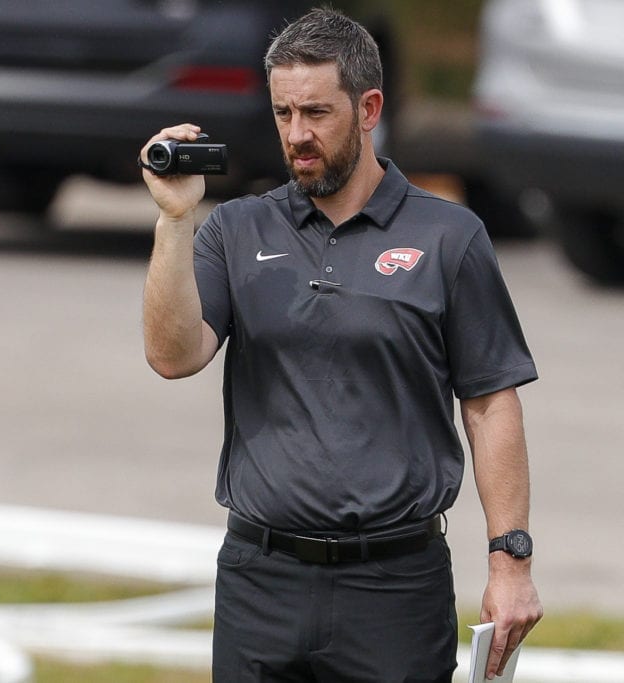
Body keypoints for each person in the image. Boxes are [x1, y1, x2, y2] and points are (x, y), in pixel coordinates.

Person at [140, 7, 541, 682]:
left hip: (395, 587)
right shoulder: (235, 230)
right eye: (283, 113)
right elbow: (172, 355)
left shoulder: (450, 237)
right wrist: (175, 222)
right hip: (259, 578)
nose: (297, 135)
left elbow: (490, 405)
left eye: (317, 113)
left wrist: (511, 563)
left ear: (368, 108)